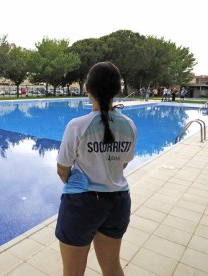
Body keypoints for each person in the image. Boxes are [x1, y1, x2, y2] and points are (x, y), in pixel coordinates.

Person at [55, 62, 137, 276]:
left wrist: (78, 184)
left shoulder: (77, 126)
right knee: (112, 267)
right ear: (117, 90)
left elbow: (62, 169)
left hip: (83, 204)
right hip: (118, 201)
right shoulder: (129, 125)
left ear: (87, 88)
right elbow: (123, 163)